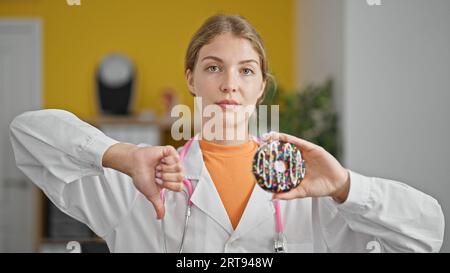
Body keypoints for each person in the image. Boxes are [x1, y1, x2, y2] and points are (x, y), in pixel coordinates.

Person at [10, 14, 444, 252]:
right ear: (192, 81)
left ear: (260, 86)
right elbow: (26, 134)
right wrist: (120, 155)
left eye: (246, 70)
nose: (229, 83)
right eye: (213, 67)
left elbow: (427, 232)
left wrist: (346, 186)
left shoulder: (306, 189)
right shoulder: (142, 178)